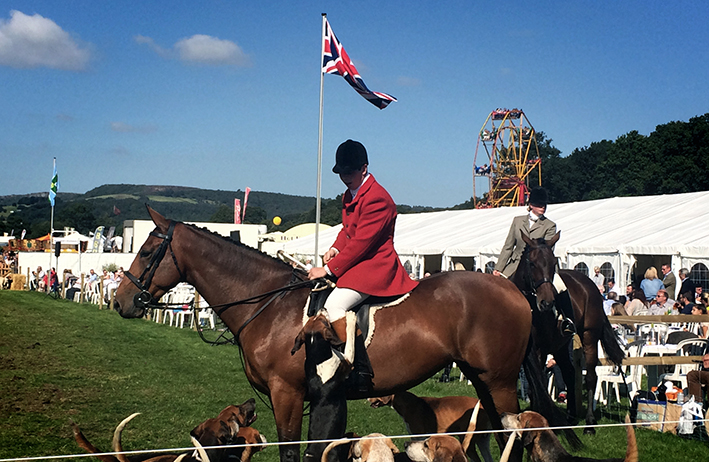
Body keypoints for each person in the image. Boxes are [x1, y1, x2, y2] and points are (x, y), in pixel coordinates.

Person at [308, 140, 418, 392]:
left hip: (376, 266)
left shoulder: (378, 198)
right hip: (359, 262)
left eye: (350, 173)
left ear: (364, 168)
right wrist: (335, 247)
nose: (345, 178)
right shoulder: (351, 194)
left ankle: (359, 369)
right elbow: (347, 232)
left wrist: (328, 269)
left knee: (334, 305)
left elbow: (362, 243)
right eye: (342, 174)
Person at [493, 187, 575, 336]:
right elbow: (508, 246)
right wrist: (499, 268)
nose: (543, 207)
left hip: (540, 266)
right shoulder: (517, 221)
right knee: (495, 288)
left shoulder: (550, 225)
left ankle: (567, 320)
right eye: (539, 204)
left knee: (561, 287)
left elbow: (546, 249)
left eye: (544, 205)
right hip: (515, 264)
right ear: (531, 205)